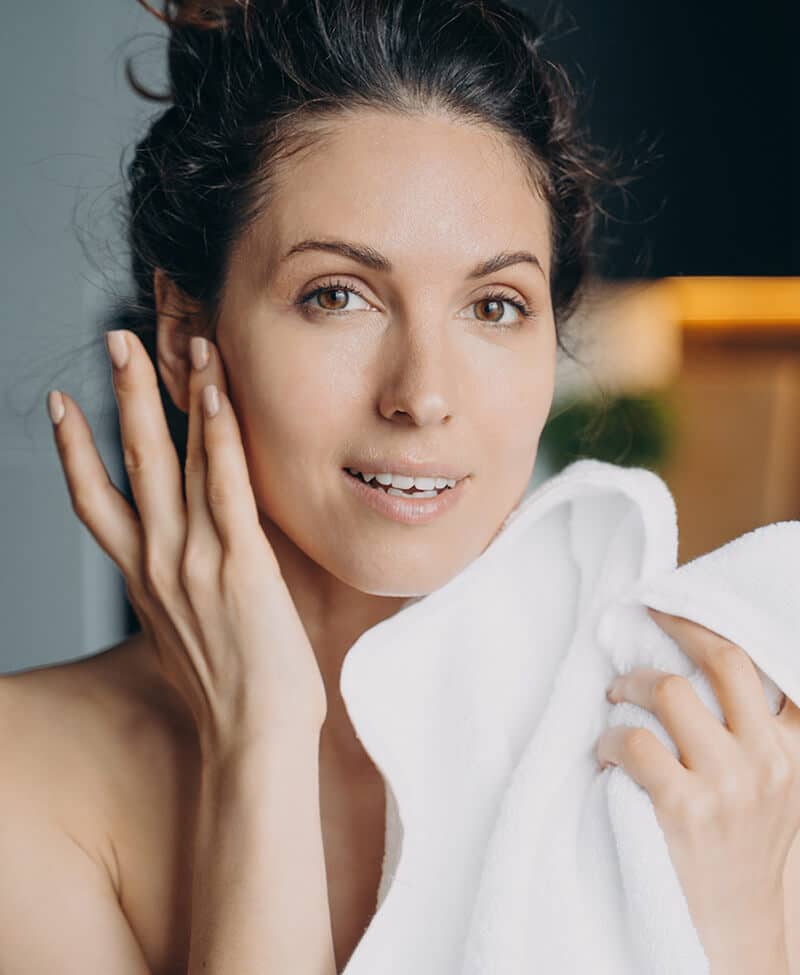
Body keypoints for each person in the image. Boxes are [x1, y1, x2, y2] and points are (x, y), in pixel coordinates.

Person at [0, 0, 613, 971]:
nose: (421, 394)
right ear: (183, 331)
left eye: (493, 305)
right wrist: (262, 740)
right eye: (337, 295)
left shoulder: (682, 752)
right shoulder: (20, 780)